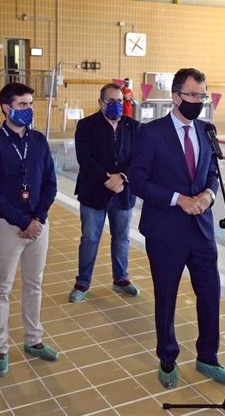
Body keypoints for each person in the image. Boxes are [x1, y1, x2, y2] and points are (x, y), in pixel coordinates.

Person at [129, 68, 225, 389]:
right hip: (165, 230)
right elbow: (138, 180)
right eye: (192, 95)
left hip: (201, 229)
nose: (199, 102)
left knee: (210, 293)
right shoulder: (151, 133)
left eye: (202, 96)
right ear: (175, 97)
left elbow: (212, 174)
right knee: (166, 295)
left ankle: (207, 355)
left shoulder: (207, 130)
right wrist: (178, 199)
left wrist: (208, 194)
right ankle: (167, 357)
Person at [0, 82, 58, 377]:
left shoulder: (38, 140)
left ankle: (33, 339)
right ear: (6, 108)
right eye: (22, 105)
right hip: (8, 225)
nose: (28, 110)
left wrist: (38, 216)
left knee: (34, 285)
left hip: (39, 224)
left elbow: (50, 181)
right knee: (2, 287)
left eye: (30, 104)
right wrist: (23, 221)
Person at [69, 83, 141, 303]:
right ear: (101, 102)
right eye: (111, 101)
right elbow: (85, 158)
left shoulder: (133, 126)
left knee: (122, 238)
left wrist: (122, 177)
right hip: (94, 192)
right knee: (90, 239)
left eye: (120, 101)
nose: (116, 105)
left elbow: (140, 158)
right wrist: (107, 179)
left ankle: (121, 279)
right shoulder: (86, 126)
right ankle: (83, 282)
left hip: (123, 192)